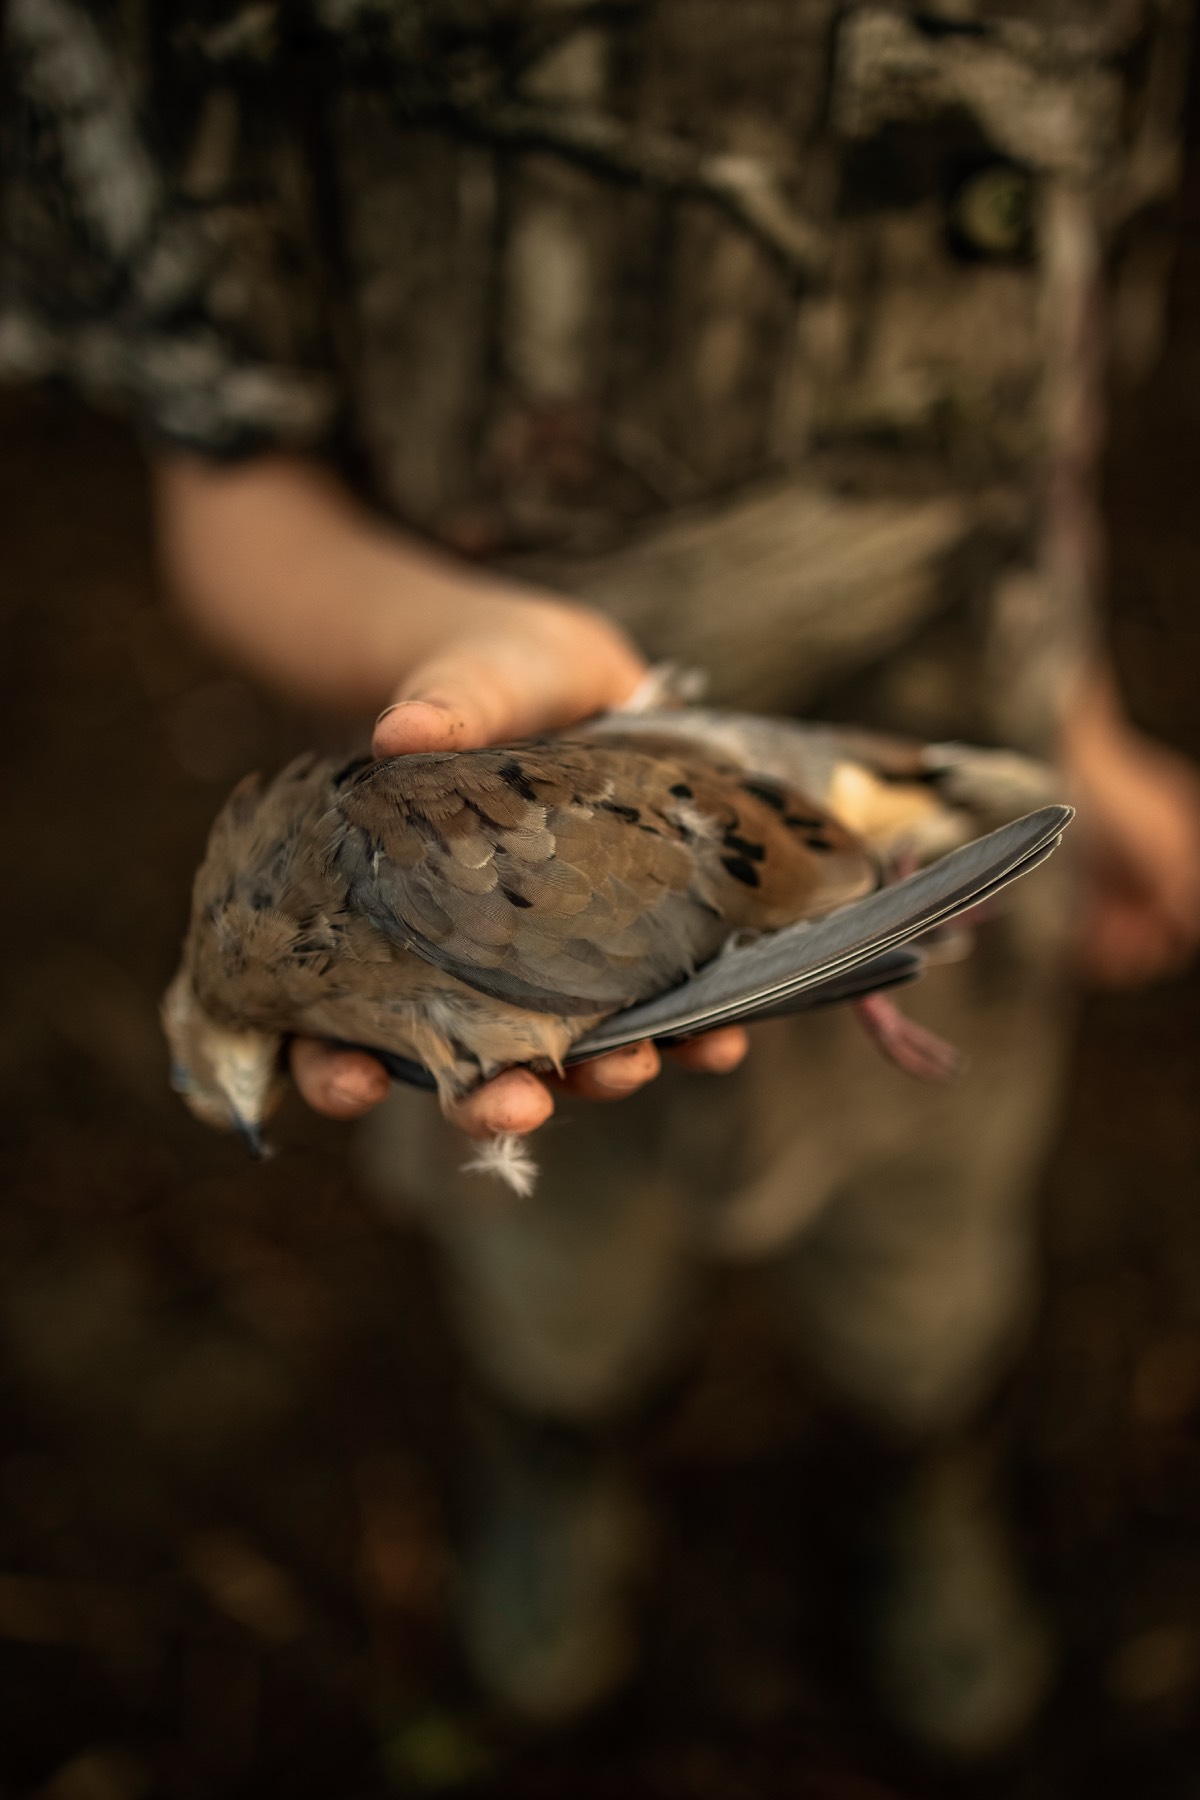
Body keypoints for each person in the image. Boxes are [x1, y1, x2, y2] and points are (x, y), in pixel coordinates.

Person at [4, 0, 1200, 1756]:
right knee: (555, 1278)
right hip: (608, 825)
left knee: (925, 1282)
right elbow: (228, 483)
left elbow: (1056, 392)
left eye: (227, 1068)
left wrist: (1075, 734)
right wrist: (466, 650)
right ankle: (562, 1461)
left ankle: (920, 1463)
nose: (244, 1094)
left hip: (926, 743)